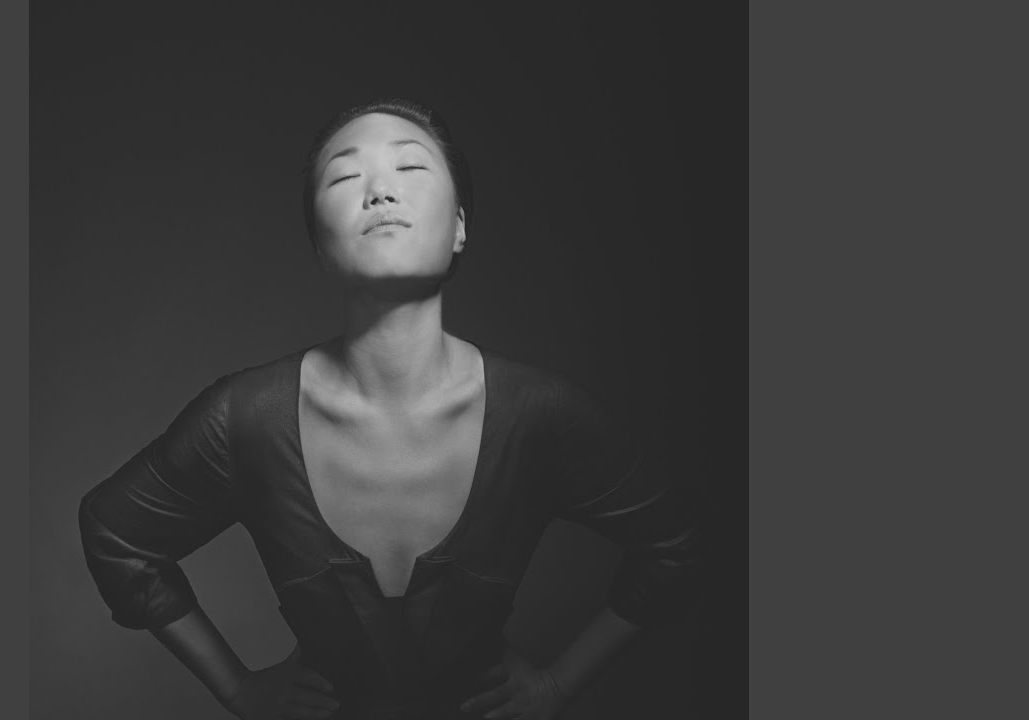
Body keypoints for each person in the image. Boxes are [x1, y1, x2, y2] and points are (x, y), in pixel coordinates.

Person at [78, 98, 703, 720]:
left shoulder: (541, 415)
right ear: (319, 244)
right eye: (345, 177)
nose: (379, 191)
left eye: (410, 167)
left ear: (459, 227)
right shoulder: (246, 417)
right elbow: (115, 535)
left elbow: (674, 545)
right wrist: (240, 692)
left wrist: (558, 687)